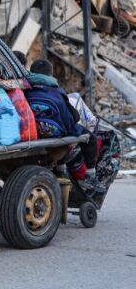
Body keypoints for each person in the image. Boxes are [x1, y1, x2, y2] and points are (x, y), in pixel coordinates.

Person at [27, 59, 102, 192]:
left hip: (33, 131)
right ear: (50, 75)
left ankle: (61, 170)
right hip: (55, 132)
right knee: (89, 138)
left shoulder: (26, 91)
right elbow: (71, 118)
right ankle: (90, 176)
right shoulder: (56, 92)